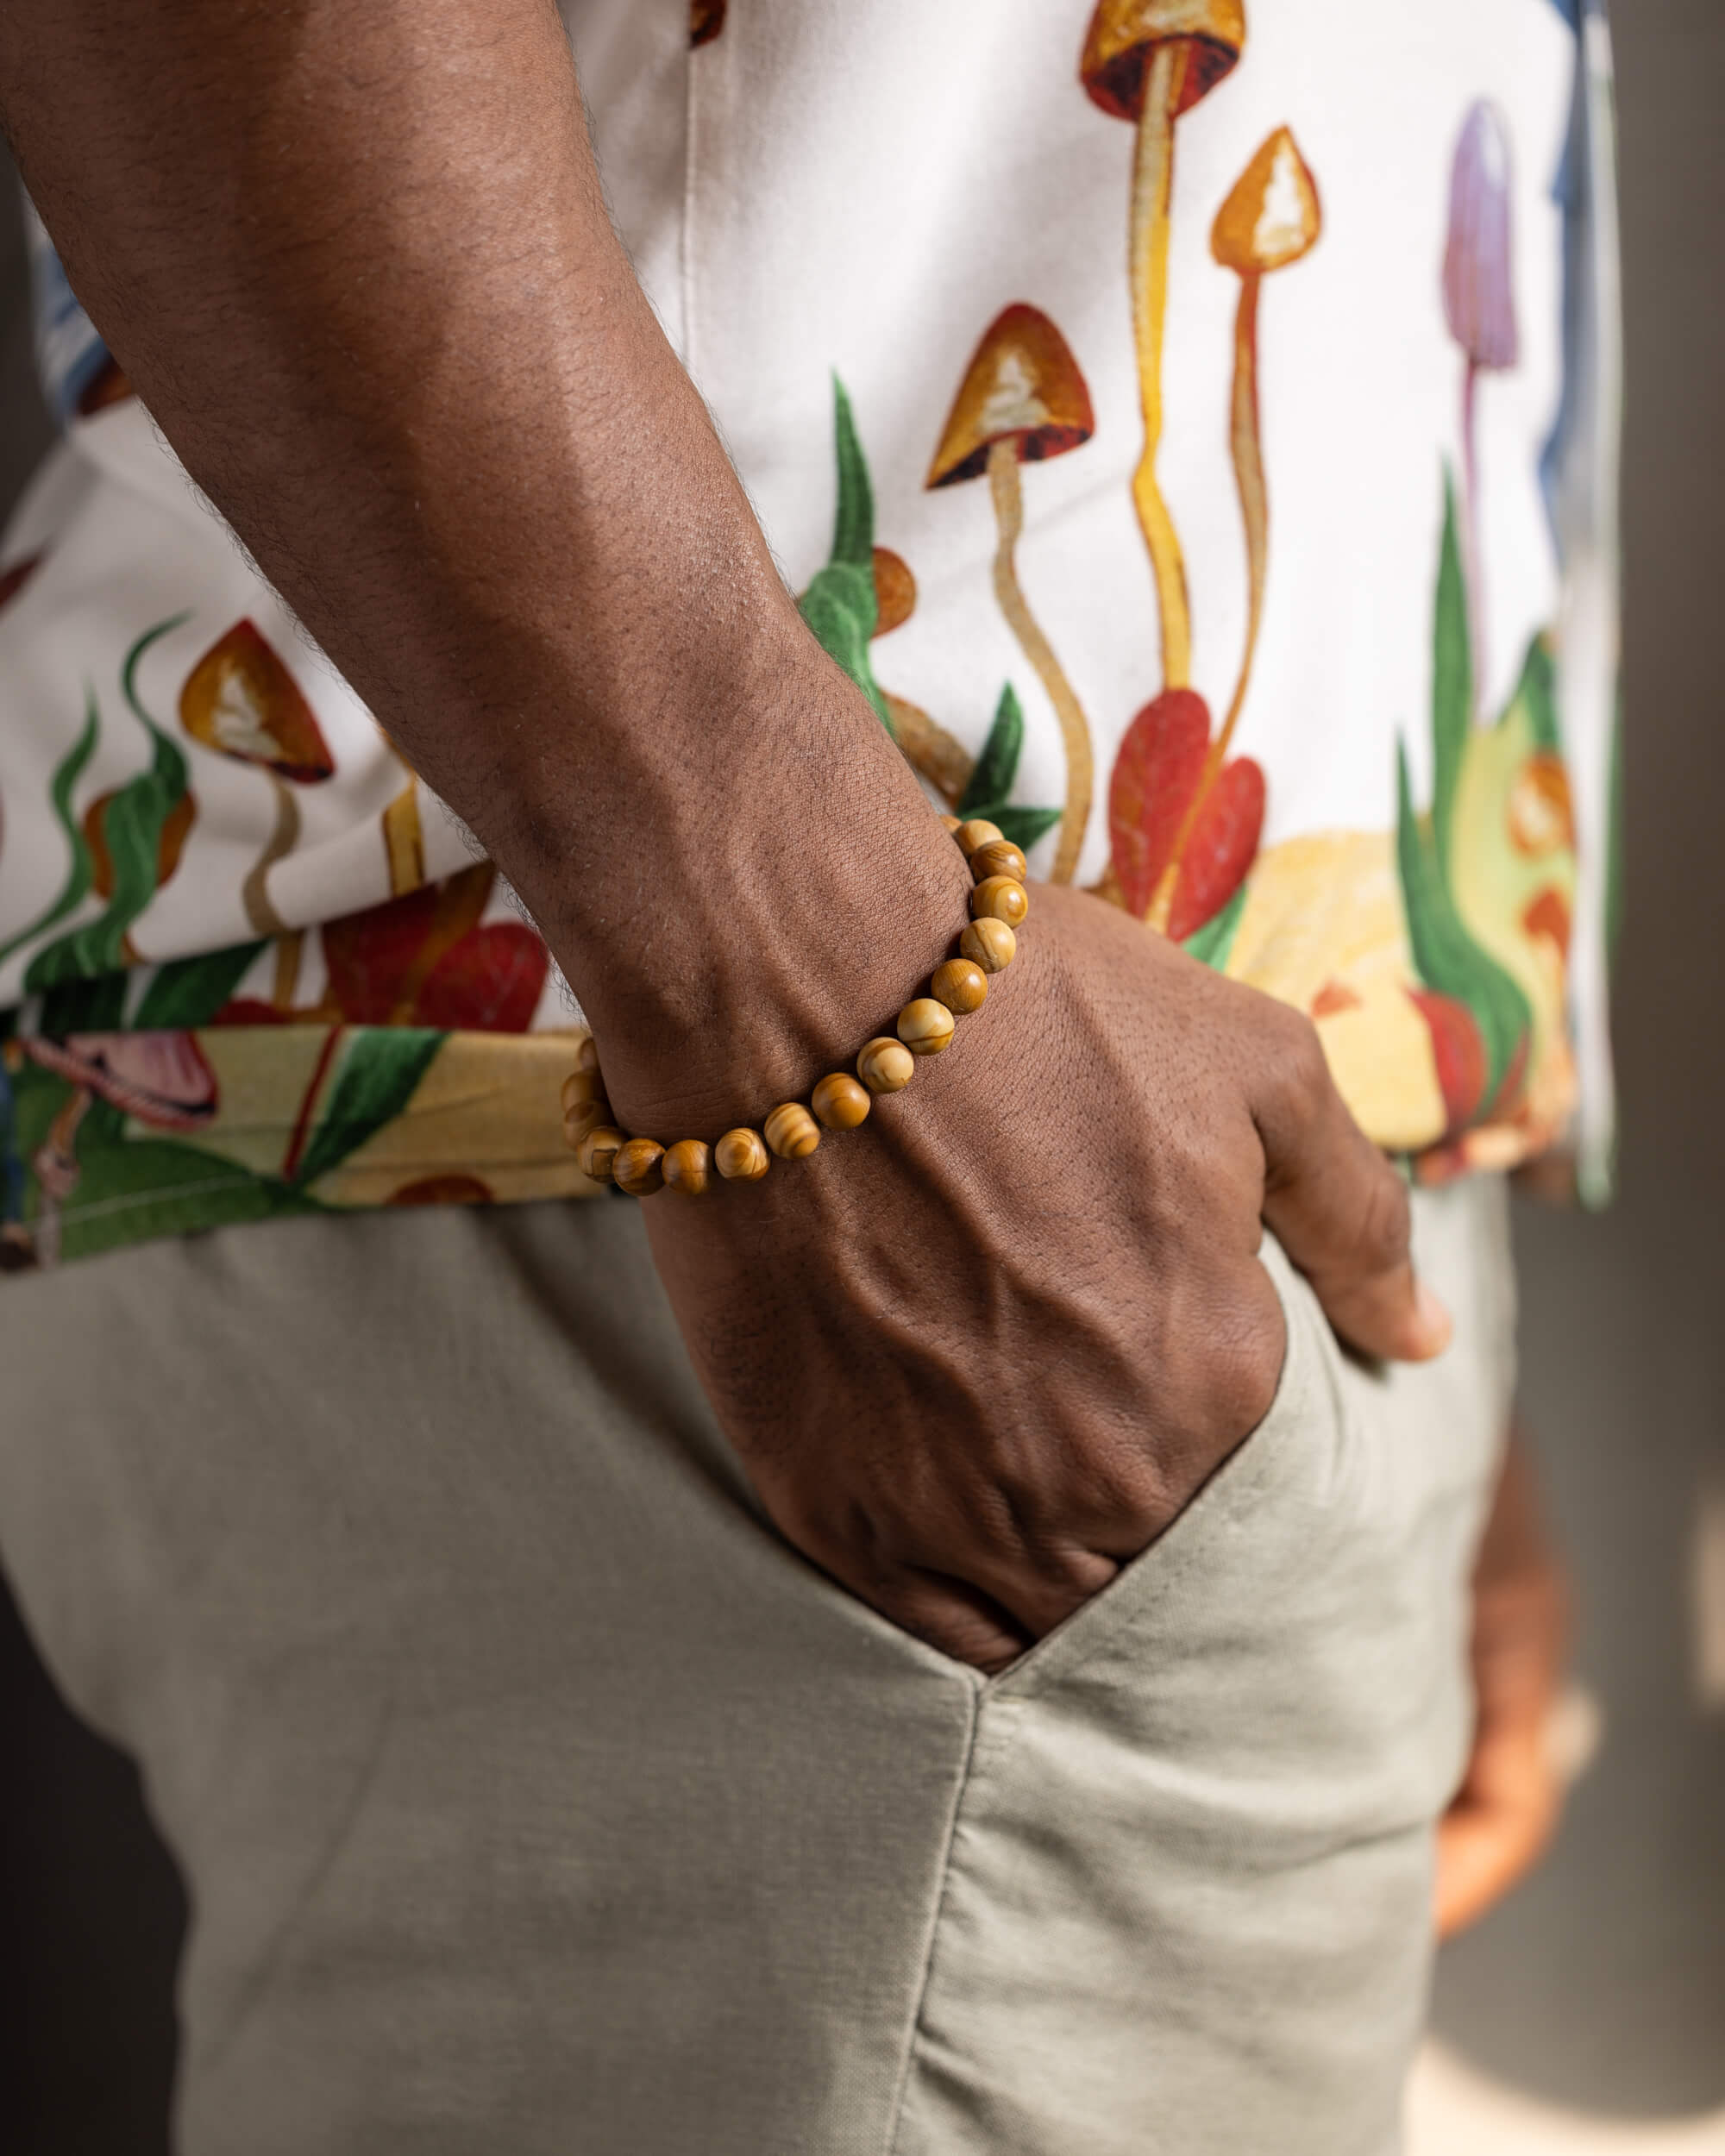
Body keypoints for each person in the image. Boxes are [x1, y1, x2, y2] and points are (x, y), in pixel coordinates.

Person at [0, 1, 1609, 2149]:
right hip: (743, 1153)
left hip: (967, 1169)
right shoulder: (837, 1076)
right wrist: (812, 990)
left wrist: (1388, 1239)